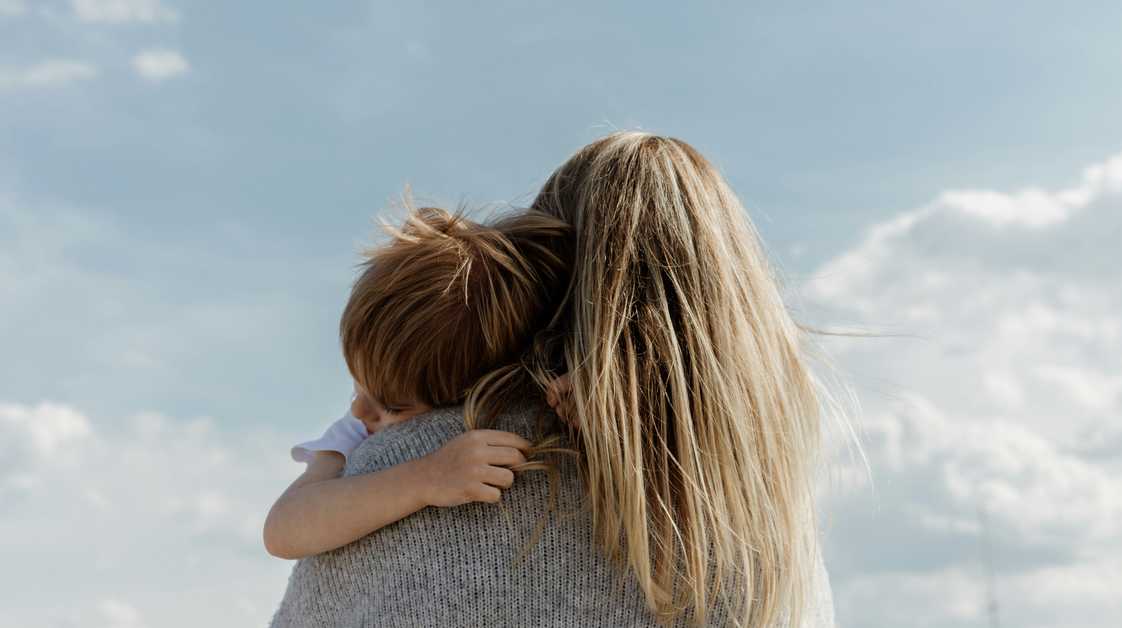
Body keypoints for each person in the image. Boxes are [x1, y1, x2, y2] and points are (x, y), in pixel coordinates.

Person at [270, 131, 837, 627]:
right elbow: (287, 525)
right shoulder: (769, 523)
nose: (364, 414)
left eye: (388, 400)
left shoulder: (414, 463)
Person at [262, 205, 571, 560]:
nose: (358, 409)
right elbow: (283, 530)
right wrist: (424, 479)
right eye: (357, 383)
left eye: (391, 405)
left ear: (465, 394)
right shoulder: (353, 434)